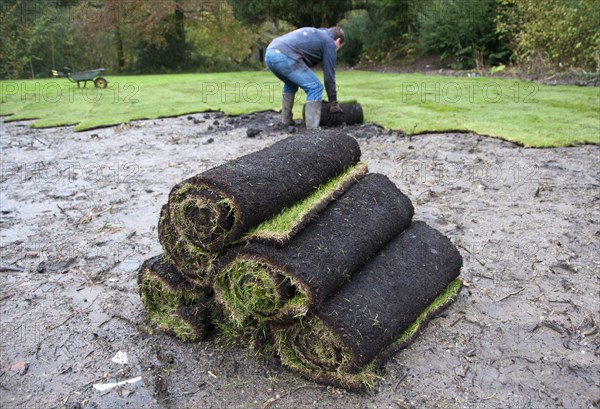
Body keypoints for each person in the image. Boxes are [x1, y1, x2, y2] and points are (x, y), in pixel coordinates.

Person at [265, 27, 345, 129]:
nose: (336, 49)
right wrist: (333, 103)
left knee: (291, 84)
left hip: (270, 53)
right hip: (284, 56)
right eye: (339, 47)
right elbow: (329, 76)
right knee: (315, 87)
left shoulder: (317, 34)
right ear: (338, 41)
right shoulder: (329, 43)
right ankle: (312, 129)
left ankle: (286, 121)